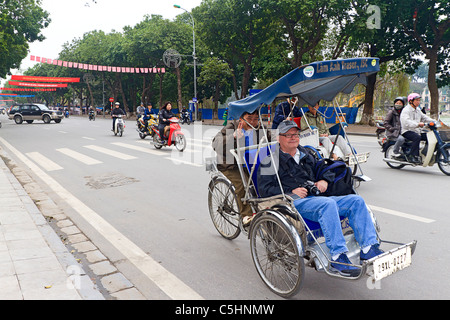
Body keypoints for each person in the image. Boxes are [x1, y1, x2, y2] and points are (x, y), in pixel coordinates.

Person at [257, 120, 383, 276]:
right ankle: (337, 256)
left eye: (295, 134)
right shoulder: (269, 161)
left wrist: (324, 180)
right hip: (294, 203)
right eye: (287, 135)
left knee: (355, 201)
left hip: (317, 197)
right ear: (279, 138)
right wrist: (291, 191)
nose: (293, 137)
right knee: (327, 204)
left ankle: (368, 248)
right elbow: (264, 190)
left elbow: (323, 168)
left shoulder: (305, 154)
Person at [212, 109, 271, 223]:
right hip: (230, 165)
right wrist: (233, 137)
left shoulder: (260, 128)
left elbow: (271, 141)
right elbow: (216, 144)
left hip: (252, 163)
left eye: (255, 119)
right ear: (241, 119)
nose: (252, 122)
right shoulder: (231, 127)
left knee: (265, 182)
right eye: (249, 119)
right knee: (243, 186)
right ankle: (246, 217)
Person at [400, 93, 435, 164]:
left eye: (419, 100)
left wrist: (434, 121)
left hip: (417, 130)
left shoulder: (418, 110)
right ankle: (412, 156)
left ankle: (425, 153)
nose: (418, 102)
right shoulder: (406, 110)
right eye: (416, 100)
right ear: (411, 101)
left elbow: (424, 117)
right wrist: (418, 124)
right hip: (407, 131)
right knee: (417, 137)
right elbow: (406, 122)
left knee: (431, 137)